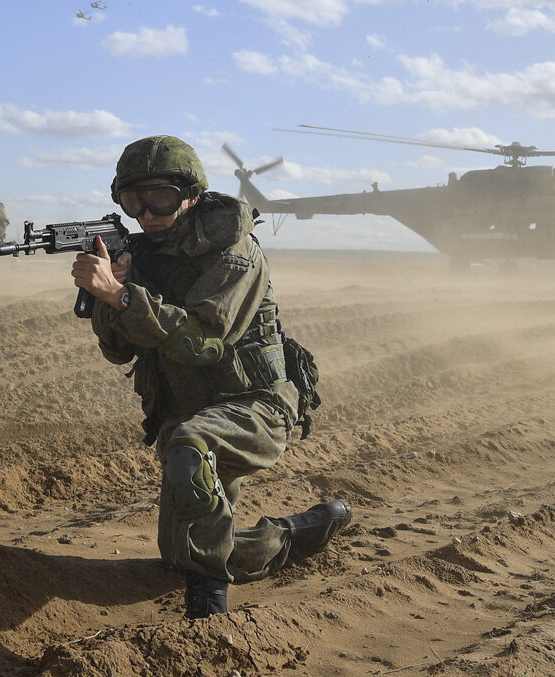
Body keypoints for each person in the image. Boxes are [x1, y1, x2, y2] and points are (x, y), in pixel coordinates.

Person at [70, 135, 350, 619]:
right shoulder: (141, 255)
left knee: (189, 444)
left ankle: (208, 608)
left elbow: (204, 343)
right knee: (182, 553)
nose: (147, 213)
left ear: (191, 196)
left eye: (161, 198)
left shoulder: (235, 252)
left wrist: (122, 297)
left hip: (254, 406)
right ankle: (297, 534)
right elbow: (118, 352)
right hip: (189, 410)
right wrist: (111, 293)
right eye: (134, 201)